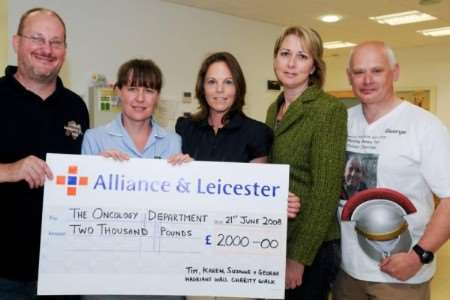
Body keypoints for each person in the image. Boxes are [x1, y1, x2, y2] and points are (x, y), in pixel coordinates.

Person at [333, 41, 450, 300]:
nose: (366, 80)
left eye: (377, 71)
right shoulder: (341, 121)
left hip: (401, 277)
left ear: (395, 72)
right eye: (359, 72)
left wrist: (420, 255)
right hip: (346, 272)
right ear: (349, 76)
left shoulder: (425, 127)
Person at [0, 7, 89, 300]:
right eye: (37, 38)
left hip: (63, 270)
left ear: (65, 49)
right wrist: (9, 171)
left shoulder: (76, 107)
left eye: (56, 42)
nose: (47, 49)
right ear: (16, 42)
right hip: (6, 275)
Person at [265, 26, 347, 300]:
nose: (291, 63)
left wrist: (298, 258)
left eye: (302, 56)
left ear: (314, 66)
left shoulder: (328, 110)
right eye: (285, 53)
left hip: (310, 246)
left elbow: (326, 191)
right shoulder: (273, 108)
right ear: (275, 58)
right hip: (275, 239)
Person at [174, 51, 300, 218]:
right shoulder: (185, 128)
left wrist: (278, 201)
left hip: (234, 231)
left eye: (228, 82)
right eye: (212, 82)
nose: (220, 89)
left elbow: (259, 192)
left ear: (238, 87)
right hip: (190, 227)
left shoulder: (257, 134)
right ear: (202, 88)